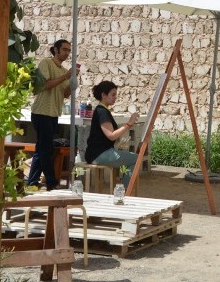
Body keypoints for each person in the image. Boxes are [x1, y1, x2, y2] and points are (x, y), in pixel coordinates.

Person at [27, 39, 76, 190]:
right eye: (64, 50)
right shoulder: (46, 64)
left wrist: (73, 82)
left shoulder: (63, 71)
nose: (67, 53)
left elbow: (66, 94)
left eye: (69, 50)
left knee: (42, 149)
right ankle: (51, 181)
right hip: (42, 112)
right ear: (56, 49)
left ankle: (32, 182)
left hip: (54, 113)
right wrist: (66, 77)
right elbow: (45, 85)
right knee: (46, 149)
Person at [85, 80, 140, 189]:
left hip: (100, 152)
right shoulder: (102, 111)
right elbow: (111, 135)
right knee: (137, 159)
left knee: (134, 160)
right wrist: (129, 123)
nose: (115, 97)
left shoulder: (103, 110)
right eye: (113, 95)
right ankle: (124, 192)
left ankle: (124, 187)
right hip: (99, 154)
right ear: (104, 95)